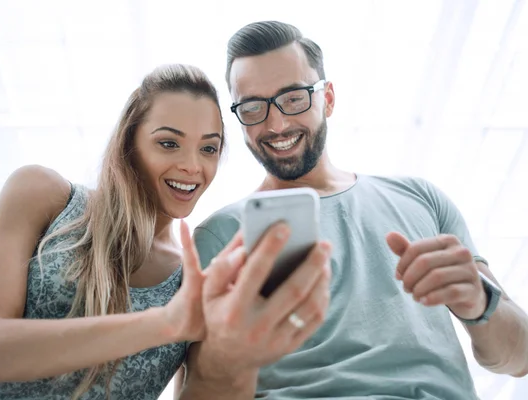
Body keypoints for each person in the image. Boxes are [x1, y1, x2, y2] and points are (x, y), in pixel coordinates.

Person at [176, 21, 528, 399]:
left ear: (327, 98)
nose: (275, 124)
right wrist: (227, 352)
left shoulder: (420, 199)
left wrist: (479, 300)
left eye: (293, 98)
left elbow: (518, 357)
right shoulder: (220, 237)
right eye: (253, 107)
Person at [0, 64, 225, 400]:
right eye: (169, 143)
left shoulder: (193, 281)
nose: (192, 165)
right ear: (130, 141)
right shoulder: (44, 196)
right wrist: (160, 324)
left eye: (208, 148)